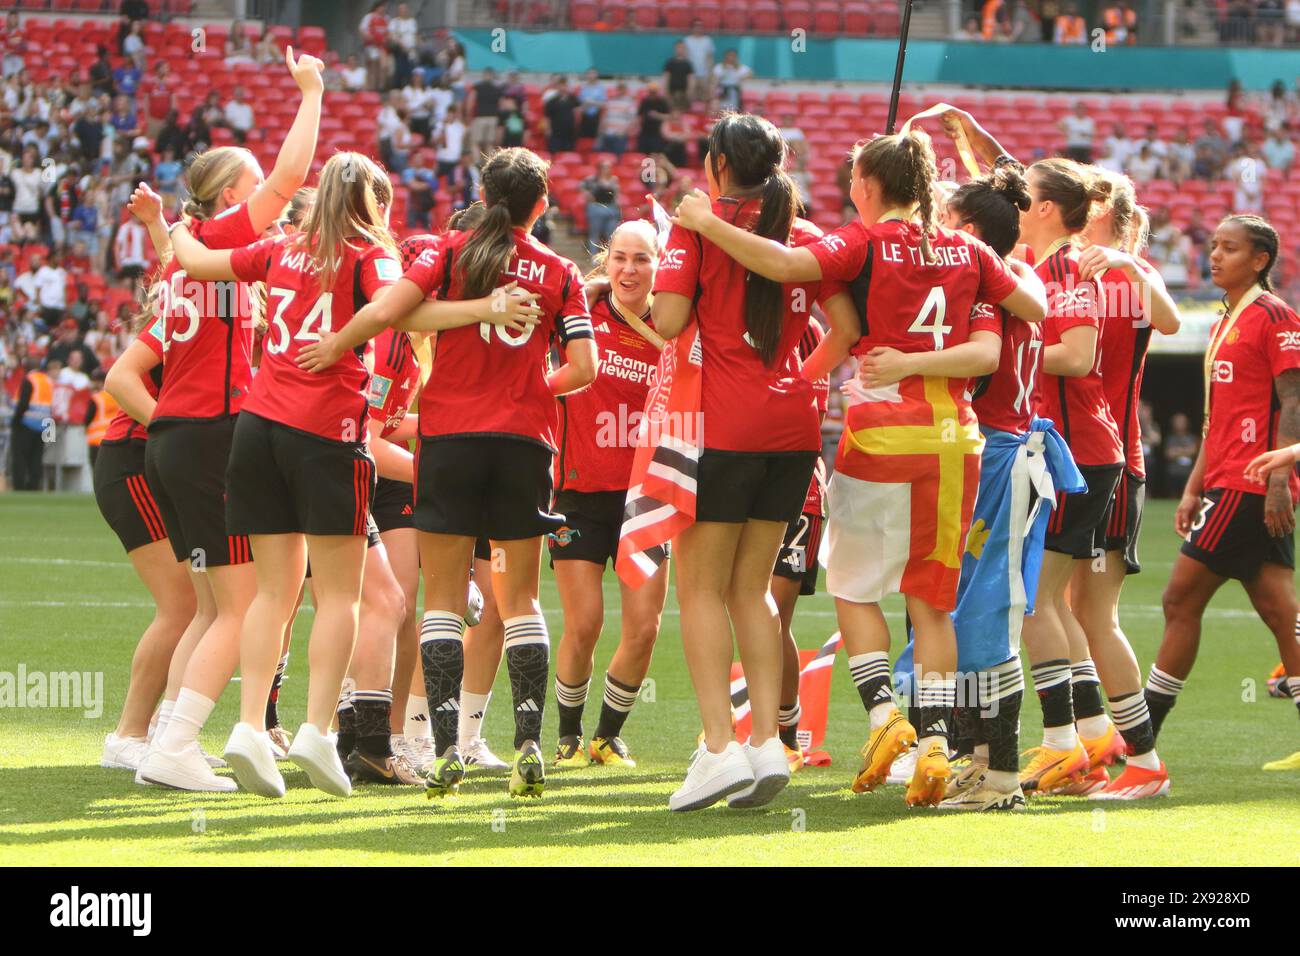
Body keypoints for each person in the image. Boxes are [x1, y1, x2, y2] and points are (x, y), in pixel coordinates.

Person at [297, 146, 597, 799]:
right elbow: (586, 368)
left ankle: (443, 752)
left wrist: (338, 342)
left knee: (438, 601)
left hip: (451, 440)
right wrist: (533, 391)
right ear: (541, 207)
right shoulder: (560, 270)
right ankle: (526, 746)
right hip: (525, 442)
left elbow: (396, 311)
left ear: (484, 194)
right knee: (517, 601)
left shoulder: (447, 250)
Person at [156, 152, 414, 797]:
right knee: (341, 596)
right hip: (325, 437)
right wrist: (338, 343)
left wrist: (177, 227)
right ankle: (316, 731)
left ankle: (248, 727)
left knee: (273, 595)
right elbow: (389, 309)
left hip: (256, 432)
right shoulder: (367, 253)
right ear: (374, 203)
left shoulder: (281, 249)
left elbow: (194, 262)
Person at [127, 47, 325, 793]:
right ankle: (175, 745)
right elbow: (291, 179)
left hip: (175, 438)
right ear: (232, 192)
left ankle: (163, 742)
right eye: (251, 181)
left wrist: (157, 225)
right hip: (211, 435)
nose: (264, 189)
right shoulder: (225, 239)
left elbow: (189, 263)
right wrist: (310, 94)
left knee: (214, 606)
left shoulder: (184, 250)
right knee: (242, 609)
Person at [1152, 216, 1300, 775]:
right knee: (1280, 611)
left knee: (1179, 600)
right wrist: (1193, 488)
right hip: (1227, 480)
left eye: (1229, 248)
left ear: (1260, 259)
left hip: (1253, 483)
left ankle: (1140, 740)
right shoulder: (1225, 321)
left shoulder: (1275, 316)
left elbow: (1296, 402)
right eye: (1213, 245)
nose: (1214, 256)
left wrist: (1281, 479)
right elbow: (1220, 421)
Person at [1067, 172, 1183, 799]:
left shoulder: (1130, 274)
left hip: (1113, 457)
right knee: (1060, 608)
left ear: (1110, 211)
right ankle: (1095, 738)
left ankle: (1144, 760)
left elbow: (1166, 322)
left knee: (1094, 612)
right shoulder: (1062, 265)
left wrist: (1131, 265)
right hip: (1068, 456)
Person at [551, 220, 668, 769]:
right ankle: (568, 736)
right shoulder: (582, 312)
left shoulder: (673, 324)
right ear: (605, 261)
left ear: (658, 263)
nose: (628, 269)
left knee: (644, 628)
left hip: (646, 496)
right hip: (578, 491)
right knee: (584, 623)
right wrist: (586, 286)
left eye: (641, 259)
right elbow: (555, 288)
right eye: (619, 257)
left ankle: (606, 735)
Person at [97, 310, 199, 773]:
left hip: (165, 464)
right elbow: (119, 379)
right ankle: (128, 735)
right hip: (134, 460)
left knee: (202, 605)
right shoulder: (194, 306)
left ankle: (164, 732)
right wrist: (169, 429)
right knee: (182, 606)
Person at [580, 159, 620, 256]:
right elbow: (581, 187)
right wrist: (588, 195)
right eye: (604, 167)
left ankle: (611, 256)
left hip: (610, 208)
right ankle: (593, 256)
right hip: (596, 207)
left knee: (611, 235)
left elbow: (616, 195)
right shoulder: (592, 180)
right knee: (595, 234)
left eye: (608, 167)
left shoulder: (613, 180)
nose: (607, 170)